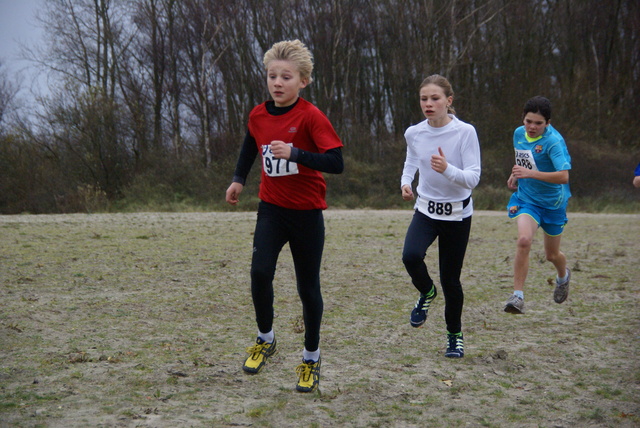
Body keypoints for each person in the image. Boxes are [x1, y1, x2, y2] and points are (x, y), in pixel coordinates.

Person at [225, 39, 344, 392]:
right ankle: (266, 338)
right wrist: (238, 179)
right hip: (271, 210)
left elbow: (336, 162)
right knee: (259, 273)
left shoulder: (311, 116)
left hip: (306, 214)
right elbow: (251, 143)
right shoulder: (258, 114)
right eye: (272, 76)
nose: (277, 83)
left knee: (308, 289)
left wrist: (296, 153)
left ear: (302, 81)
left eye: (286, 77)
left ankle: (311, 357)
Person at [401, 74, 481, 358]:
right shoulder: (414, 132)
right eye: (424, 99)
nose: (429, 104)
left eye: (435, 98)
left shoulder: (465, 132)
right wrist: (406, 181)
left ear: (449, 101)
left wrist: (447, 168)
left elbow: (473, 178)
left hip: (458, 216)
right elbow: (412, 158)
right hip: (426, 210)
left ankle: (454, 336)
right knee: (410, 256)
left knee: (451, 281)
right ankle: (426, 292)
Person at [504, 96, 572, 314]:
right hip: (527, 200)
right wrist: (516, 175)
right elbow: (523, 159)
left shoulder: (553, 142)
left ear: (548, 123)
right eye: (528, 121)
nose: (532, 127)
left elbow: (563, 176)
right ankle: (517, 297)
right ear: (523, 119)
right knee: (524, 241)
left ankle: (563, 276)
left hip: (553, 204)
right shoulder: (518, 134)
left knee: (552, 255)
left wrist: (530, 173)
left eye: (538, 123)